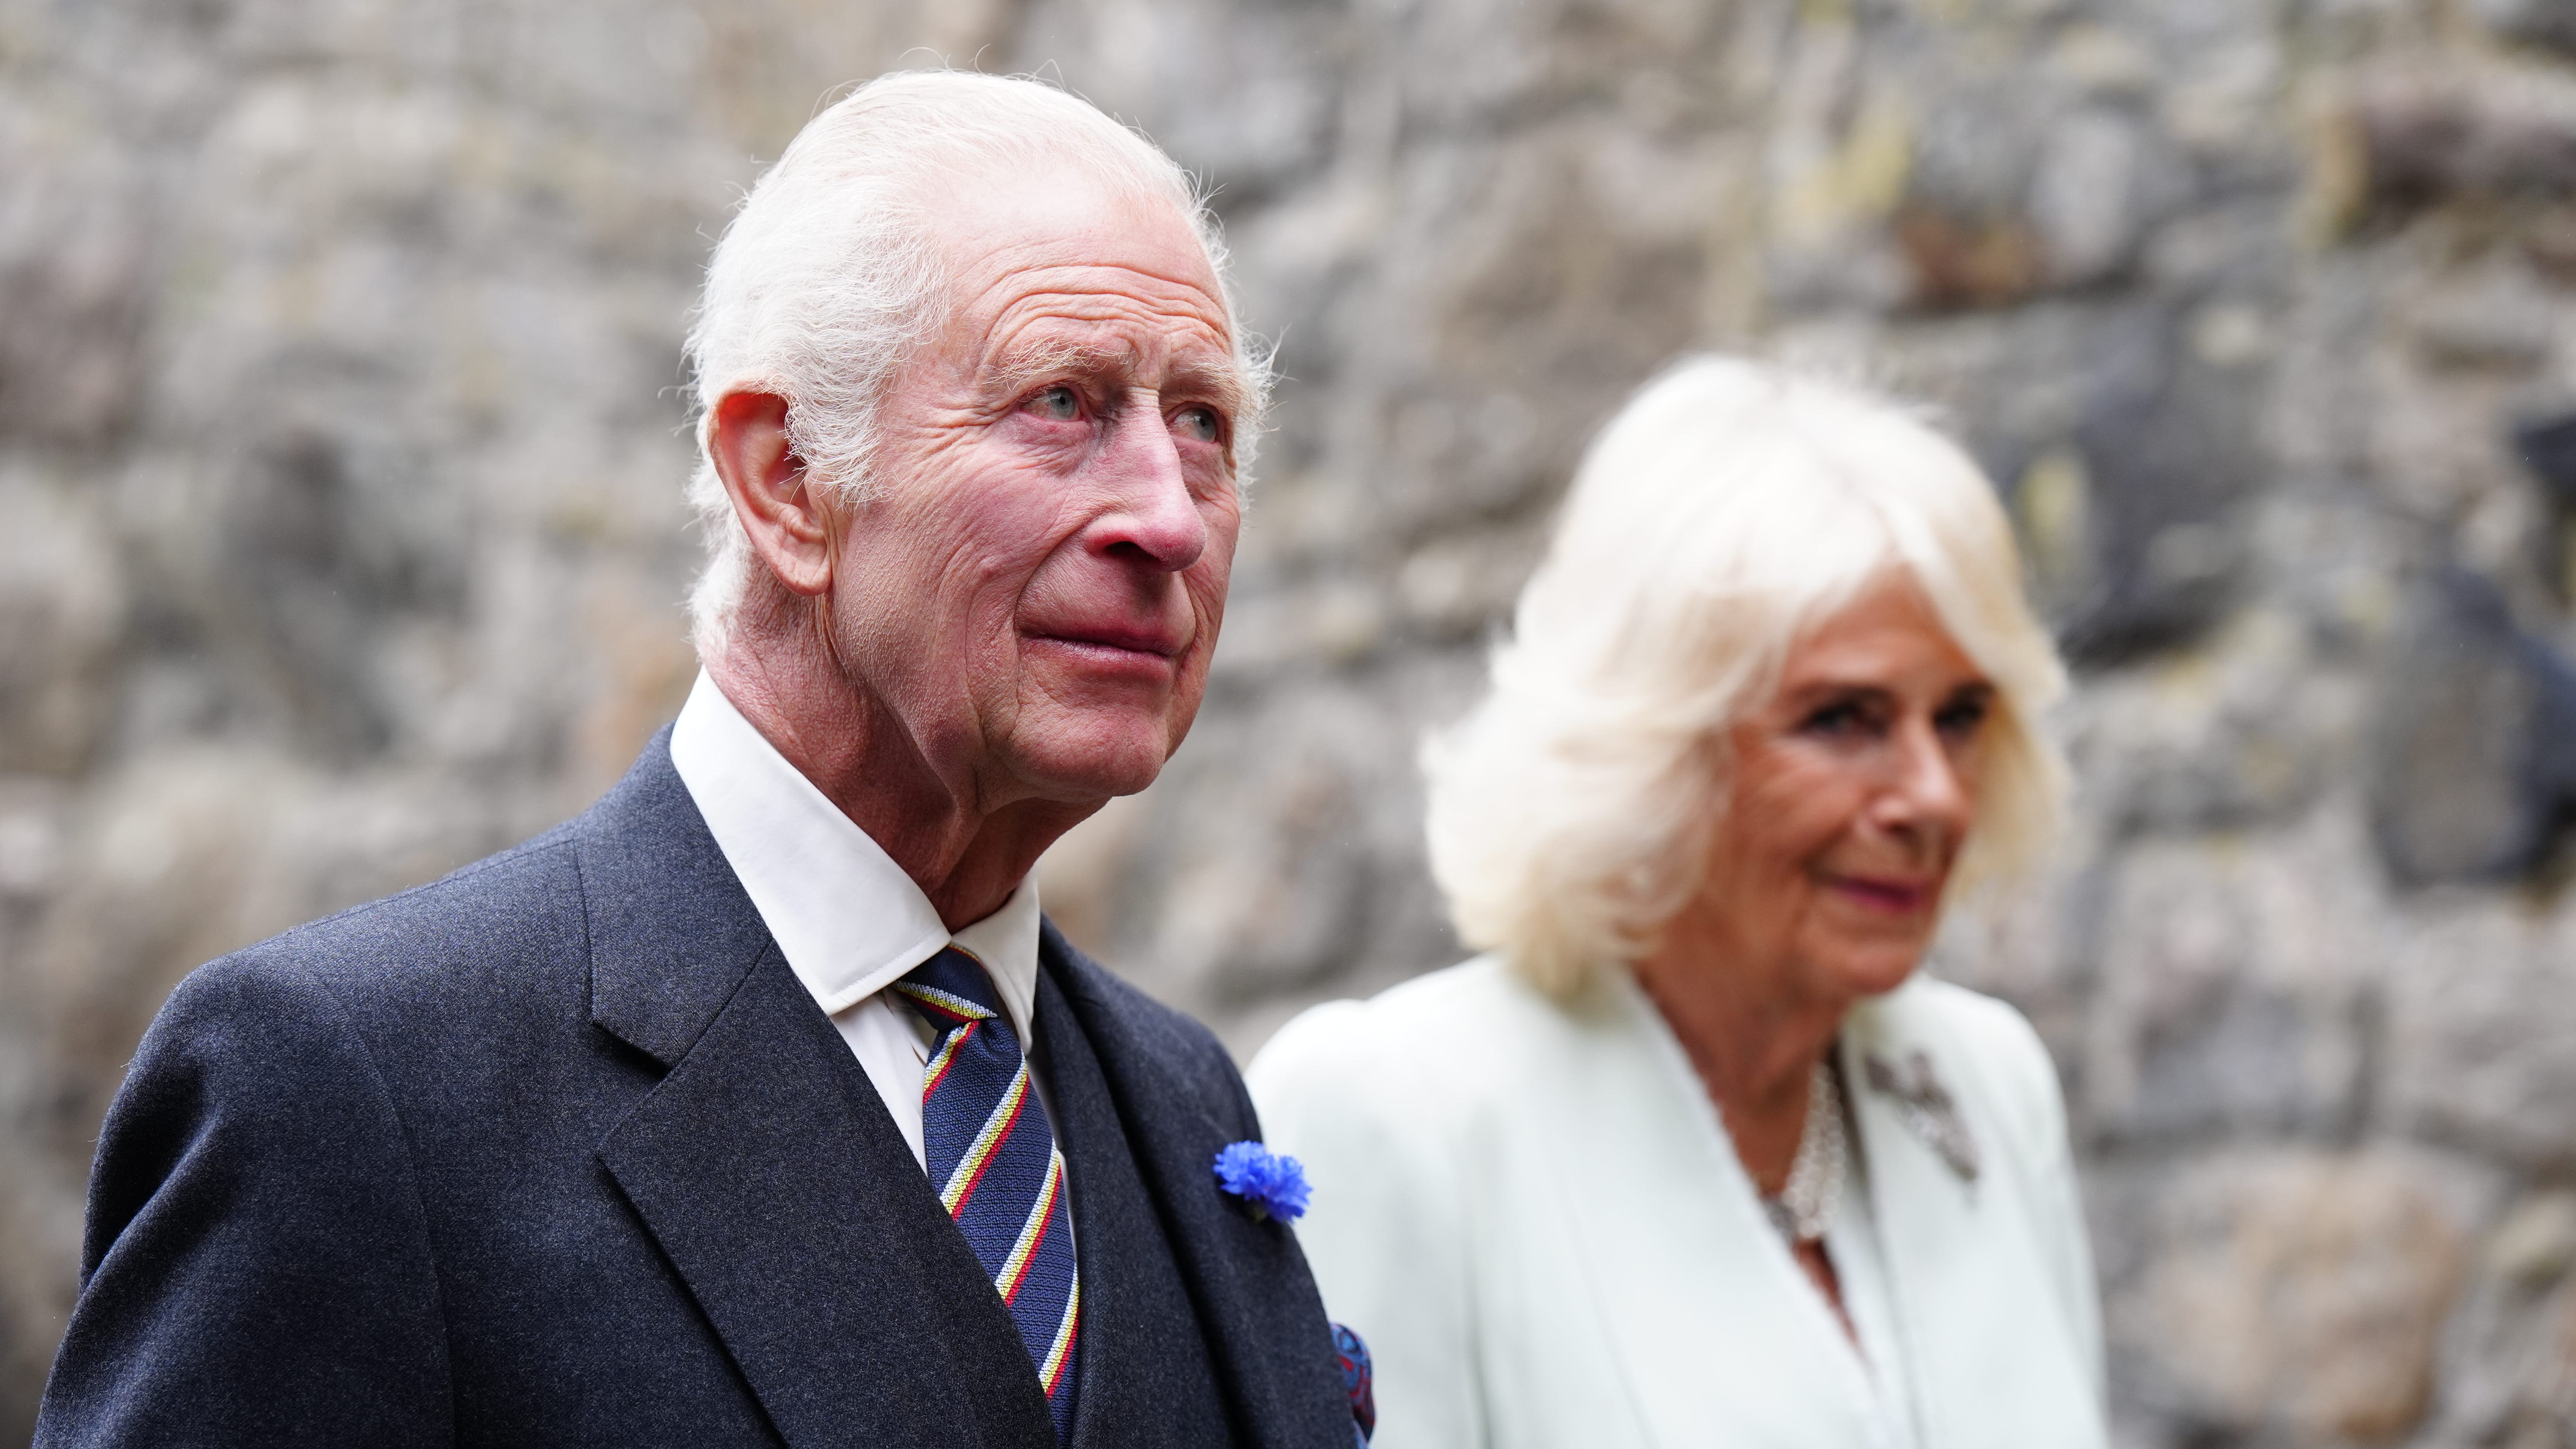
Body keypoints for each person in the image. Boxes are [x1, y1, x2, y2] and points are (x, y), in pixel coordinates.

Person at [37, 72, 1367, 1449]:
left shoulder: (1180, 1096)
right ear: (788, 481)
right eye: (1063, 401)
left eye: (1204, 422)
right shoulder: (354, 1090)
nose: (1168, 516)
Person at [1248, 357, 2107, 1449]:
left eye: (1962, 715)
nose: (1934, 792)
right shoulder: (1398, 1110)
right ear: (1654, 749)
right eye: (1845, 717)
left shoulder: (1987, 1082)